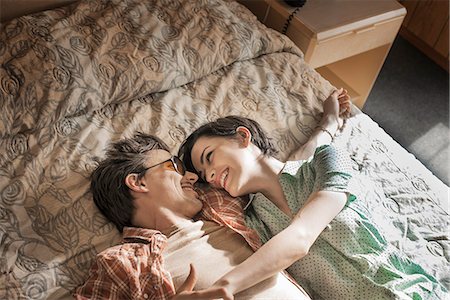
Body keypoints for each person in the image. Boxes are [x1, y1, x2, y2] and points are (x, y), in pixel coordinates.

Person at [178, 88, 448, 299]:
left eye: (209, 157)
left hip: (414, 291)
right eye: (204, 176)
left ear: (242, 137)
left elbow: (301, 235)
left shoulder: (327, 161)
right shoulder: (253, 225)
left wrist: (223, 287)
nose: (211, 176)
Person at [74, 132, 311, 299]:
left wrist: (328, 125)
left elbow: (279, 175)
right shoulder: (122, 264)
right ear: (138, 182)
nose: (193, 176)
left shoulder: (220, 205)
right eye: (174, 166)